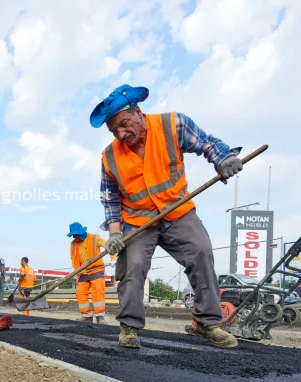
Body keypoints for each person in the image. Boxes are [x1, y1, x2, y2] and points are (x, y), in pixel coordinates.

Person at [89, 84, 243, 349]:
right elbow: (110, 199)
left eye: (124, 124)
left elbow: (207, 143)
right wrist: (115, 233)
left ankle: (208, 323)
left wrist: (223, 159)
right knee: (133, 266)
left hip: (177, 211)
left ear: (138, 112)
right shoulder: (109, 156)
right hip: (137, 221)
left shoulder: (173, 124)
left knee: (201, 252)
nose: (121, 133)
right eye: (114, 130)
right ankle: (129, 328)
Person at [67, 222, 116, 324]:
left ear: (82, 232)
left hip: (96, 270)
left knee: (97, 292)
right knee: (80, 293)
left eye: (76, 234)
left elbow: (109, 246)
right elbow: (73, 257)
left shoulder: (94, 238)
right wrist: (73, 267)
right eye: (73, 235)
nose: (75, 237)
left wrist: (113, 259)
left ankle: (100, 317)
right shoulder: (72, 244)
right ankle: (86, 316)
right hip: (82, 272)